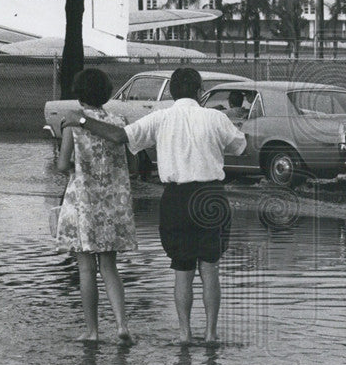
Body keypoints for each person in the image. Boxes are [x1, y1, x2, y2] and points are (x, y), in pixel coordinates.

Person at [65, 68, 247, 344]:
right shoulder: (215, 117)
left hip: (176, 197)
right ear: (199, 92)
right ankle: (211, 334)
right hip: (211, 195)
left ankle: (185, 335)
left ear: (172, 92)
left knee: (182, 269)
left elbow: (118, 137)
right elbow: (239, 147)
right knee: (210, 268)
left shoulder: (161, 118)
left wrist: (80, 119)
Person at [55, 68, 136, 343]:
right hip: (113, 200)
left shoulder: (74, 123)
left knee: (86, 268)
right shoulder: (118, 120)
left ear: (79, 95)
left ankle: (92, 330)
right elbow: (130, 161)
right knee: (110, 266)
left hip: (84, 201)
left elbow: (63, 164)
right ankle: (122, 325)